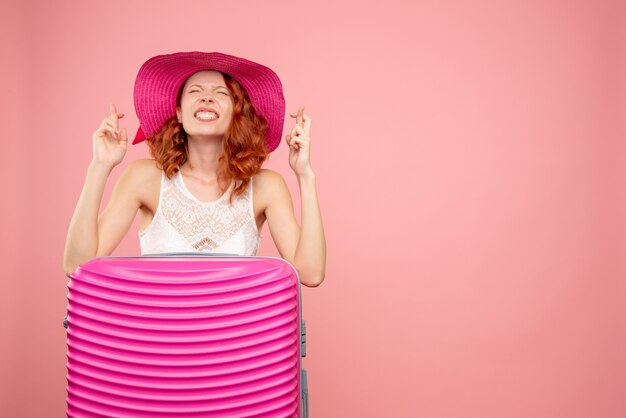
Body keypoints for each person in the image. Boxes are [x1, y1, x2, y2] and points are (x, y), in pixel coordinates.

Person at [63, 51, 326, 287]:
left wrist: (305, 175)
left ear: (237, 112)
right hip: (156, 336)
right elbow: (77, 265)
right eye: (195, 91)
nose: (207, 98)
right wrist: (99, 166)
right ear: (179, 112)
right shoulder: (143, 178)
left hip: (235, 338)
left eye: (221, 93)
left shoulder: (266, 185)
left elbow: (310, 274)